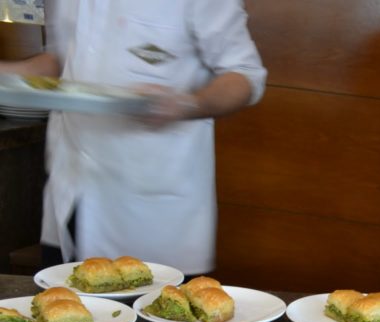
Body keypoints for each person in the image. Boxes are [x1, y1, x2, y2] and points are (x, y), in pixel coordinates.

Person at [0, 1, 266, 275]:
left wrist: (188, 104)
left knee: (155, 312)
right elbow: (61, 59)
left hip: (148, 215)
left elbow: (245, 75)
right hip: (71, 197)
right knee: (63, 311)